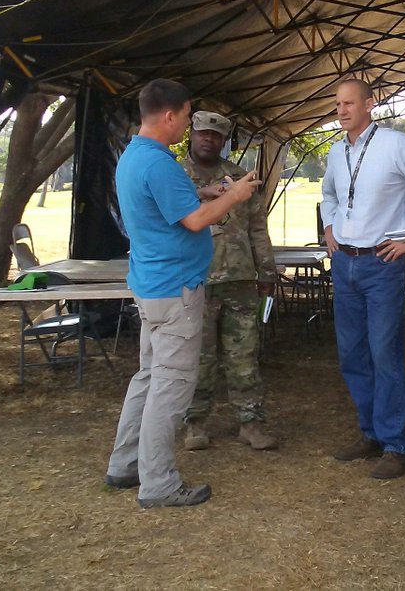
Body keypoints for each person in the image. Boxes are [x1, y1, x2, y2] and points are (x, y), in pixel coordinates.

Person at [105, 79, 261, 509]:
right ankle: (158, 483)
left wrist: (202, 191)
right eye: (188, 116)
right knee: (171, 387)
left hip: (151, 286)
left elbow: (168, 204)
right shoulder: (159, 163)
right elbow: (195, 222)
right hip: (176, 290)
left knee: (149, 377)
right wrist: (235, 194)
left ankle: (124, 464)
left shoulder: (134, 156)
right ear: (170, 115)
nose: (190, 127)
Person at [320, 78, 405, 479]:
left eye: (349, 103)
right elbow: (329, 194)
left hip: (381, 263)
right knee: (352, 353)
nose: (342, 110)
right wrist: (329, 226)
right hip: (345, 262)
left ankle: (395, 443)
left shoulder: (395, 144)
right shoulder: (336, 151)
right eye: (338, 104)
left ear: (370, 104)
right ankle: (371, 433)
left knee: (383, 353)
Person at [180, 110, 279, 451]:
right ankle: (194, 421)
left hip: (239, 279)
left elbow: (257, 228)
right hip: (195, 281)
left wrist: (267, 271)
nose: (208, 139)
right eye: (203, 133)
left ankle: (250, 423)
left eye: (216, 135)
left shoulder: (239, 178)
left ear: (224, 140)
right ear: (192, 134)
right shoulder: (175, 177)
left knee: (243, 355)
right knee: (199, 356)